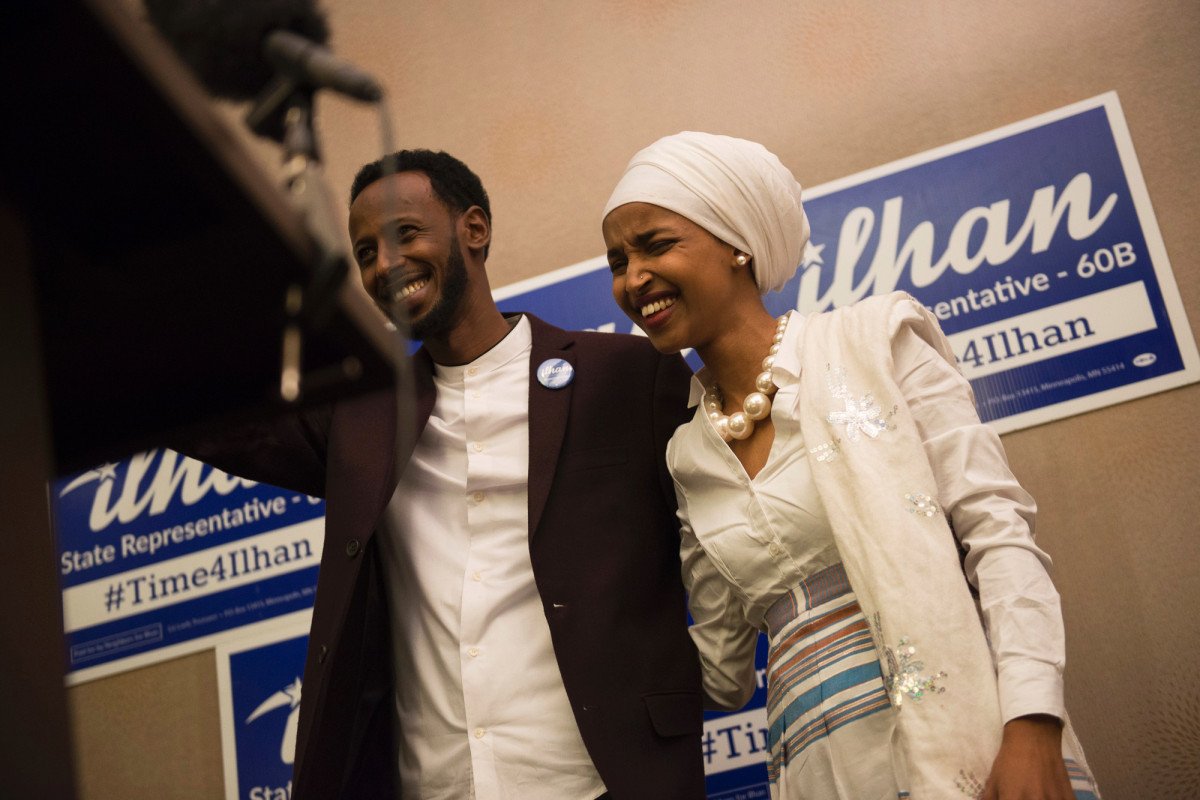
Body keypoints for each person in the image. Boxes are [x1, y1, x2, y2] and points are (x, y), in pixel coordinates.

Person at [192, 149, 706, 799]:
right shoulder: (360, 416)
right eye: (366, 253)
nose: (386, 265)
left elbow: (723, 524)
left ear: (474, 229)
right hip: (435, 785)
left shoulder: (626, 375)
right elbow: (211, 418)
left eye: (405, 234)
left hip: (599, 781)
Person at [601, 132, 1099, 800]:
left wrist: (1033, 723)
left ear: (737, 244)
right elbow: (720, 673)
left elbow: (997, 534)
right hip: (821, 770)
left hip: (975, 743)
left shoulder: (876, 341)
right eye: (618, 260)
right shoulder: (688, 453)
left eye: (656, 245)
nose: (633, 278)